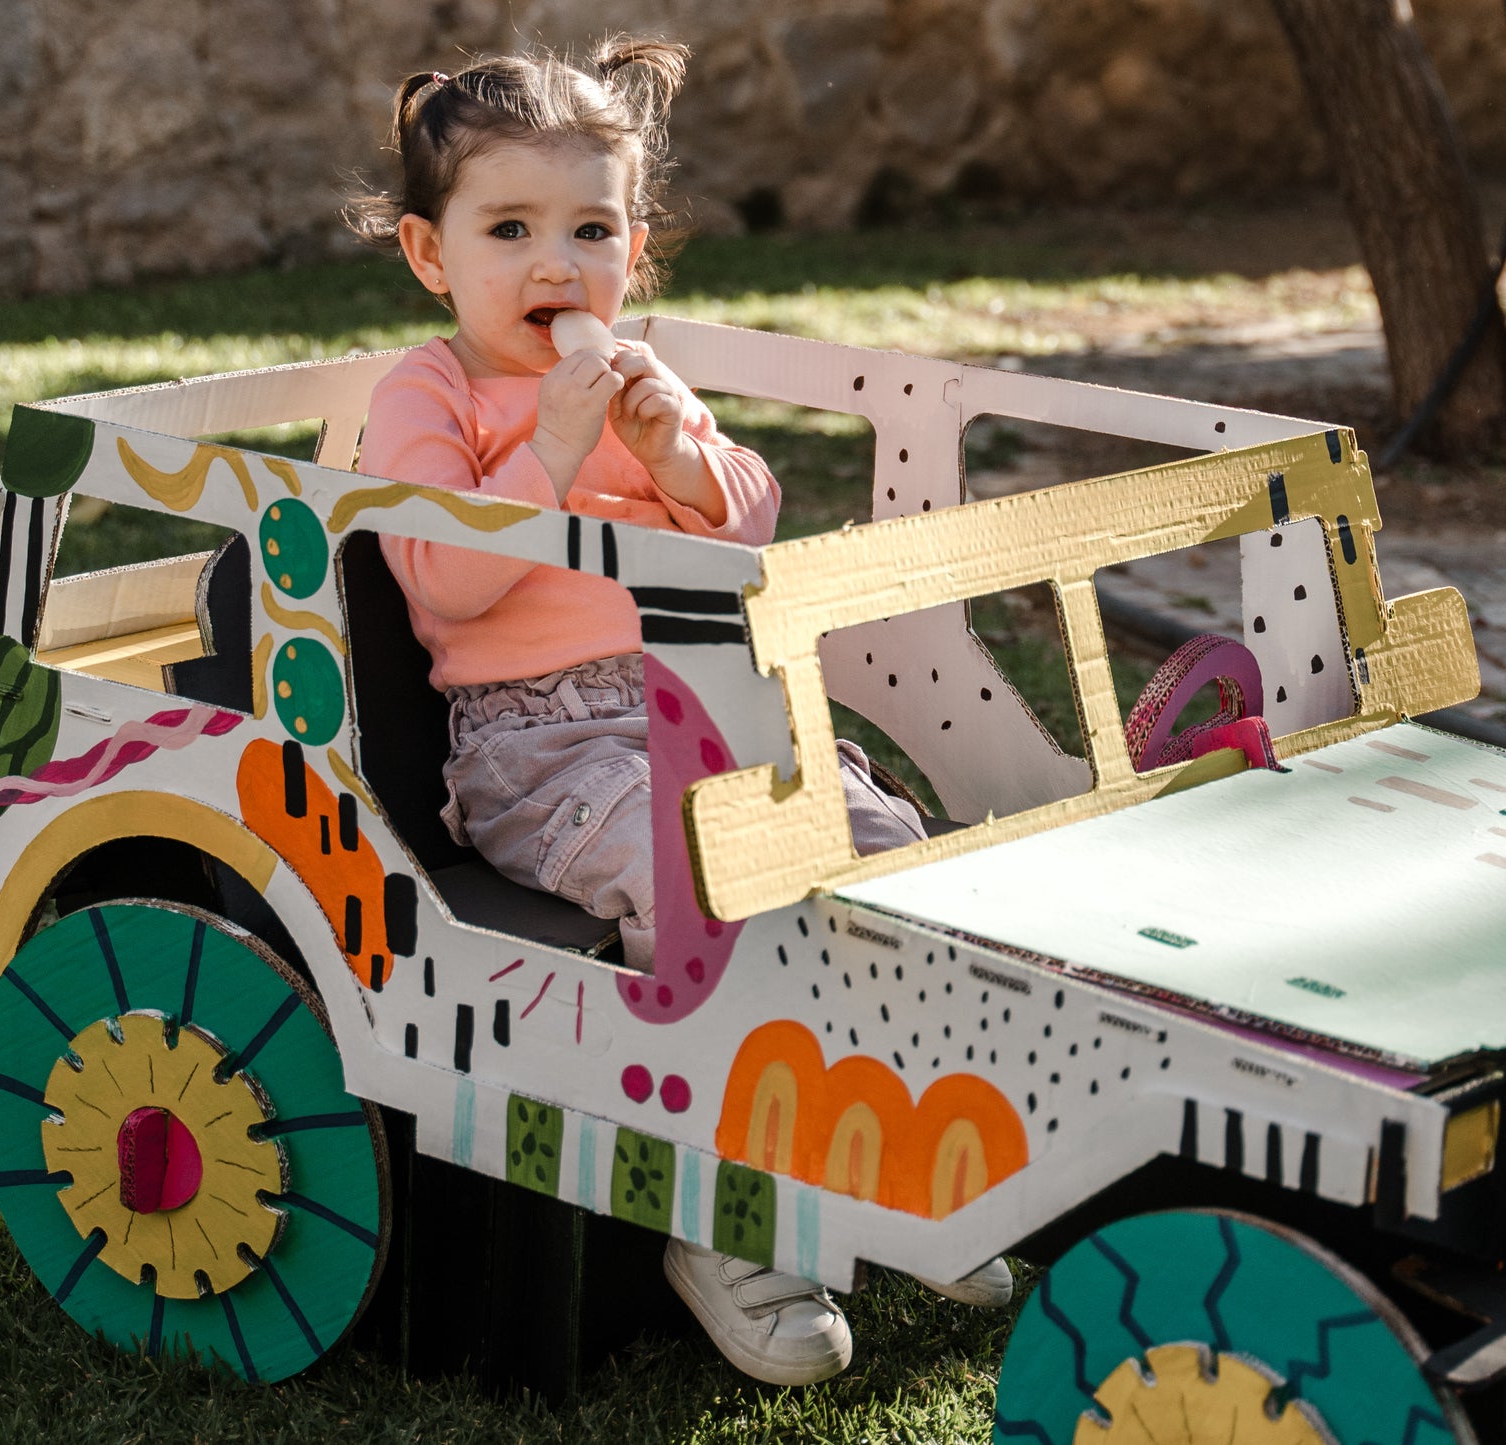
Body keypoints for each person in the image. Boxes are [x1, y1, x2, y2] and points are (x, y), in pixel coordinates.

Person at [343, 40, 1009, 1386]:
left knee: (881, 862)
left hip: (703, 707)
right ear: (431, 255)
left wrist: (676, 457)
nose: (554, 264)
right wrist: (545, 452)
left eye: (590, 229)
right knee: (716, 887)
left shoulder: (633, 375)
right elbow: (444, 580)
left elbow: (747, 516)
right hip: (542, 747)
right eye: (510, 228)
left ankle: (884, 1157)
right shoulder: (429, 395)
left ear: (632, 249)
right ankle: (727, 1216)